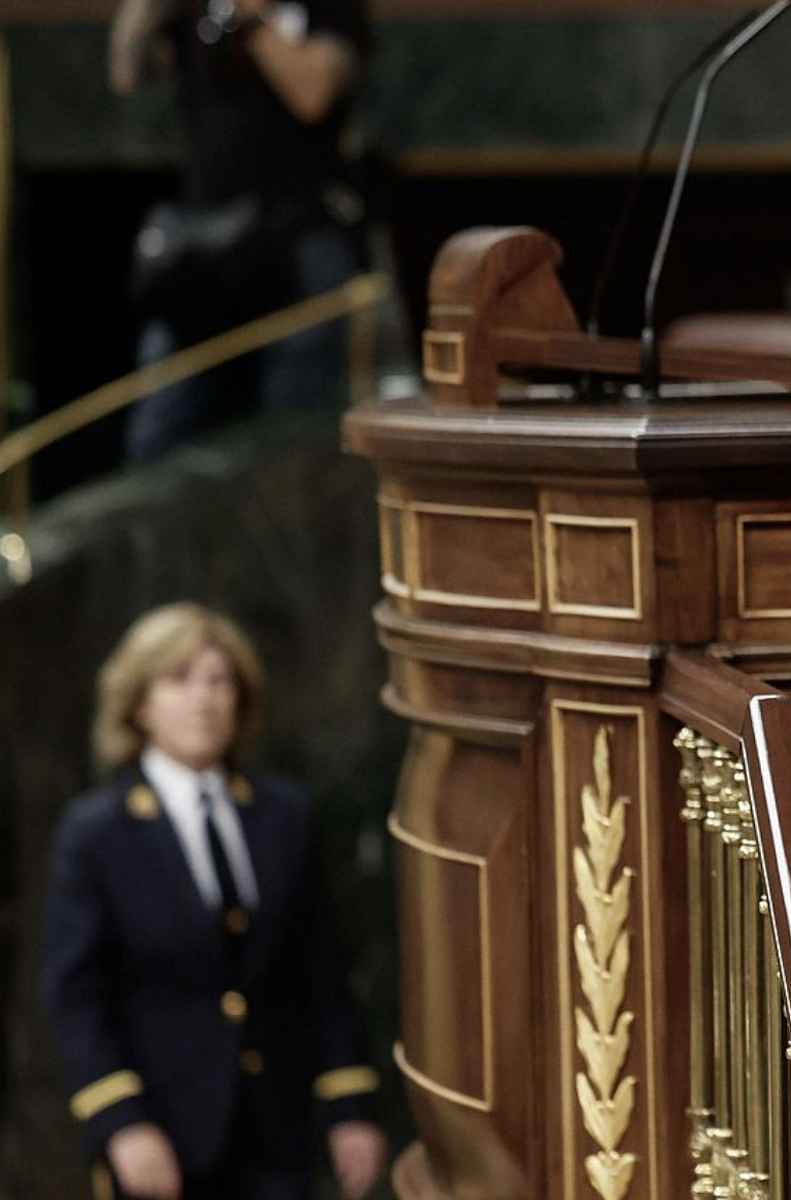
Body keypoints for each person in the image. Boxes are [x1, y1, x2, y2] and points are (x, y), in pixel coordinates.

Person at [41, 603, 386, 1199]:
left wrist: (348, 1105)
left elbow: (322, 972)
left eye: (220, 680)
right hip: (164, 1143)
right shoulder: (98, 832)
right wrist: (122, 1123)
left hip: (280, 1137)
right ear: (139, 703)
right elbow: (77, 996)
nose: (204, 699)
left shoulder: (284, 815)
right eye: (179, 680)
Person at [109, 0, 370, 463]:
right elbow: (127, 74)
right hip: (202, 248)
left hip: (301, 247)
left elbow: (314, 95)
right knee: (157, 437)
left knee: (295, 440)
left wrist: (249, 20)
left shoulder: (326, 8)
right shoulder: (191, 10)